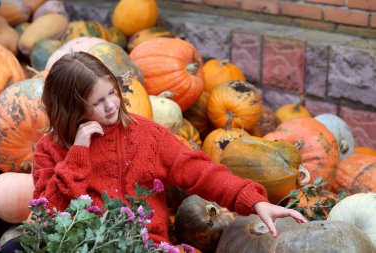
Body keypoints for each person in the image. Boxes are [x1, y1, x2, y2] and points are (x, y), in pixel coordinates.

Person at [31, 51, 306, 245]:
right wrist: (78, 153)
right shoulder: (49, 149)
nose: (111, 105)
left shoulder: (145, 135)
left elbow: (201, 172)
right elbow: (50, 217)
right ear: (71, 108)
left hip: (144, 245)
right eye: (97, 102)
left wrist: (254, 200)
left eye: (112, 93)